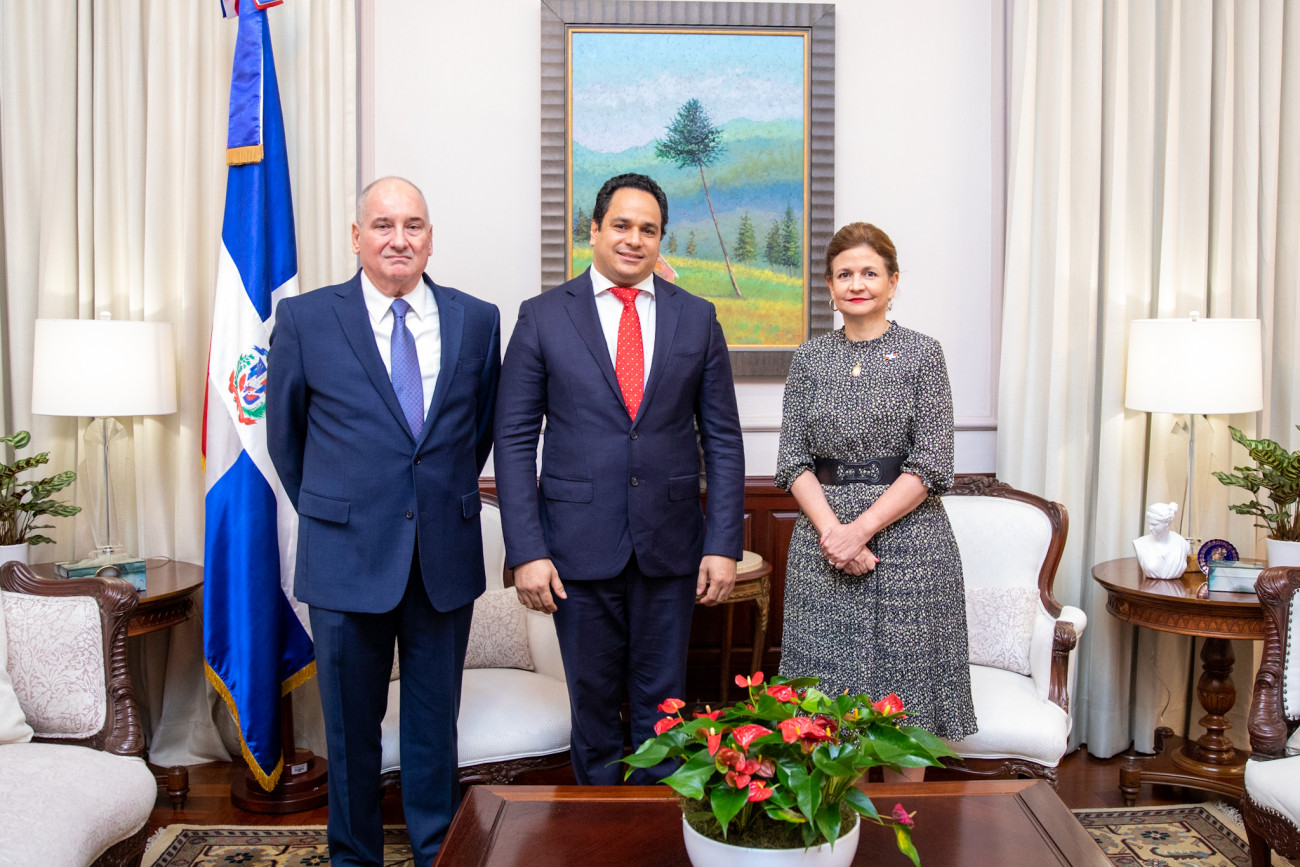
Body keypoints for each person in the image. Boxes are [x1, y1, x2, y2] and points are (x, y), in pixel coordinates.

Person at [267, 176, 500, 866]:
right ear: (356, 237)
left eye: (413, 225)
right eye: (383, 225)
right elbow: (287, 439)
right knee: (349, 732)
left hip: (442, 556)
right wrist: (341, 509)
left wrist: (428, 499)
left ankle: (436, 853)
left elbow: (477, 433)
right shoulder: (306, 319)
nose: (399, 239)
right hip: (344, 557)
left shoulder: (477, 319)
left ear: (430, 238)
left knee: (435, 727)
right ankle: (355, 857)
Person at [494, 172, 745, 785]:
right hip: (575, 548)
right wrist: (526, 551)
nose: (634, 239)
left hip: (671, 546)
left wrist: (722, 545)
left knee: (666, 711)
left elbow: (722, 438)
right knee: (594, 709)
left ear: (661, 239)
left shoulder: (697, 318)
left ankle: (656, 829)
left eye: (648, 230)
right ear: (595, 230)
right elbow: (515, 439)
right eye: (622, 225)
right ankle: (599, 829)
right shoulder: (543, 316)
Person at [774, 222, 977, 777]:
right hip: (822, 547)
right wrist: (834, 534)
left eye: (869, 272)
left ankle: (902, 824)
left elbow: (932, 461)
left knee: (906, 714)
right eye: (845, 274)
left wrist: (859, 531)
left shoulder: (922, 354)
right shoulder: (809, 358)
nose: (857, 284)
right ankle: (843, 829)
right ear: (829, 286)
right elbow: (792, 460)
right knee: (831, 718)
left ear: (892, 282)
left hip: (910, 547)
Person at [1133, 502, 1190, 579]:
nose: (1150, 528)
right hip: (1151, 585)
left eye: (1154, 524)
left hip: (1176, 586)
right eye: (1149, 524)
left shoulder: (1181, 543)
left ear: (1166, 523)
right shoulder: (1140, 543)